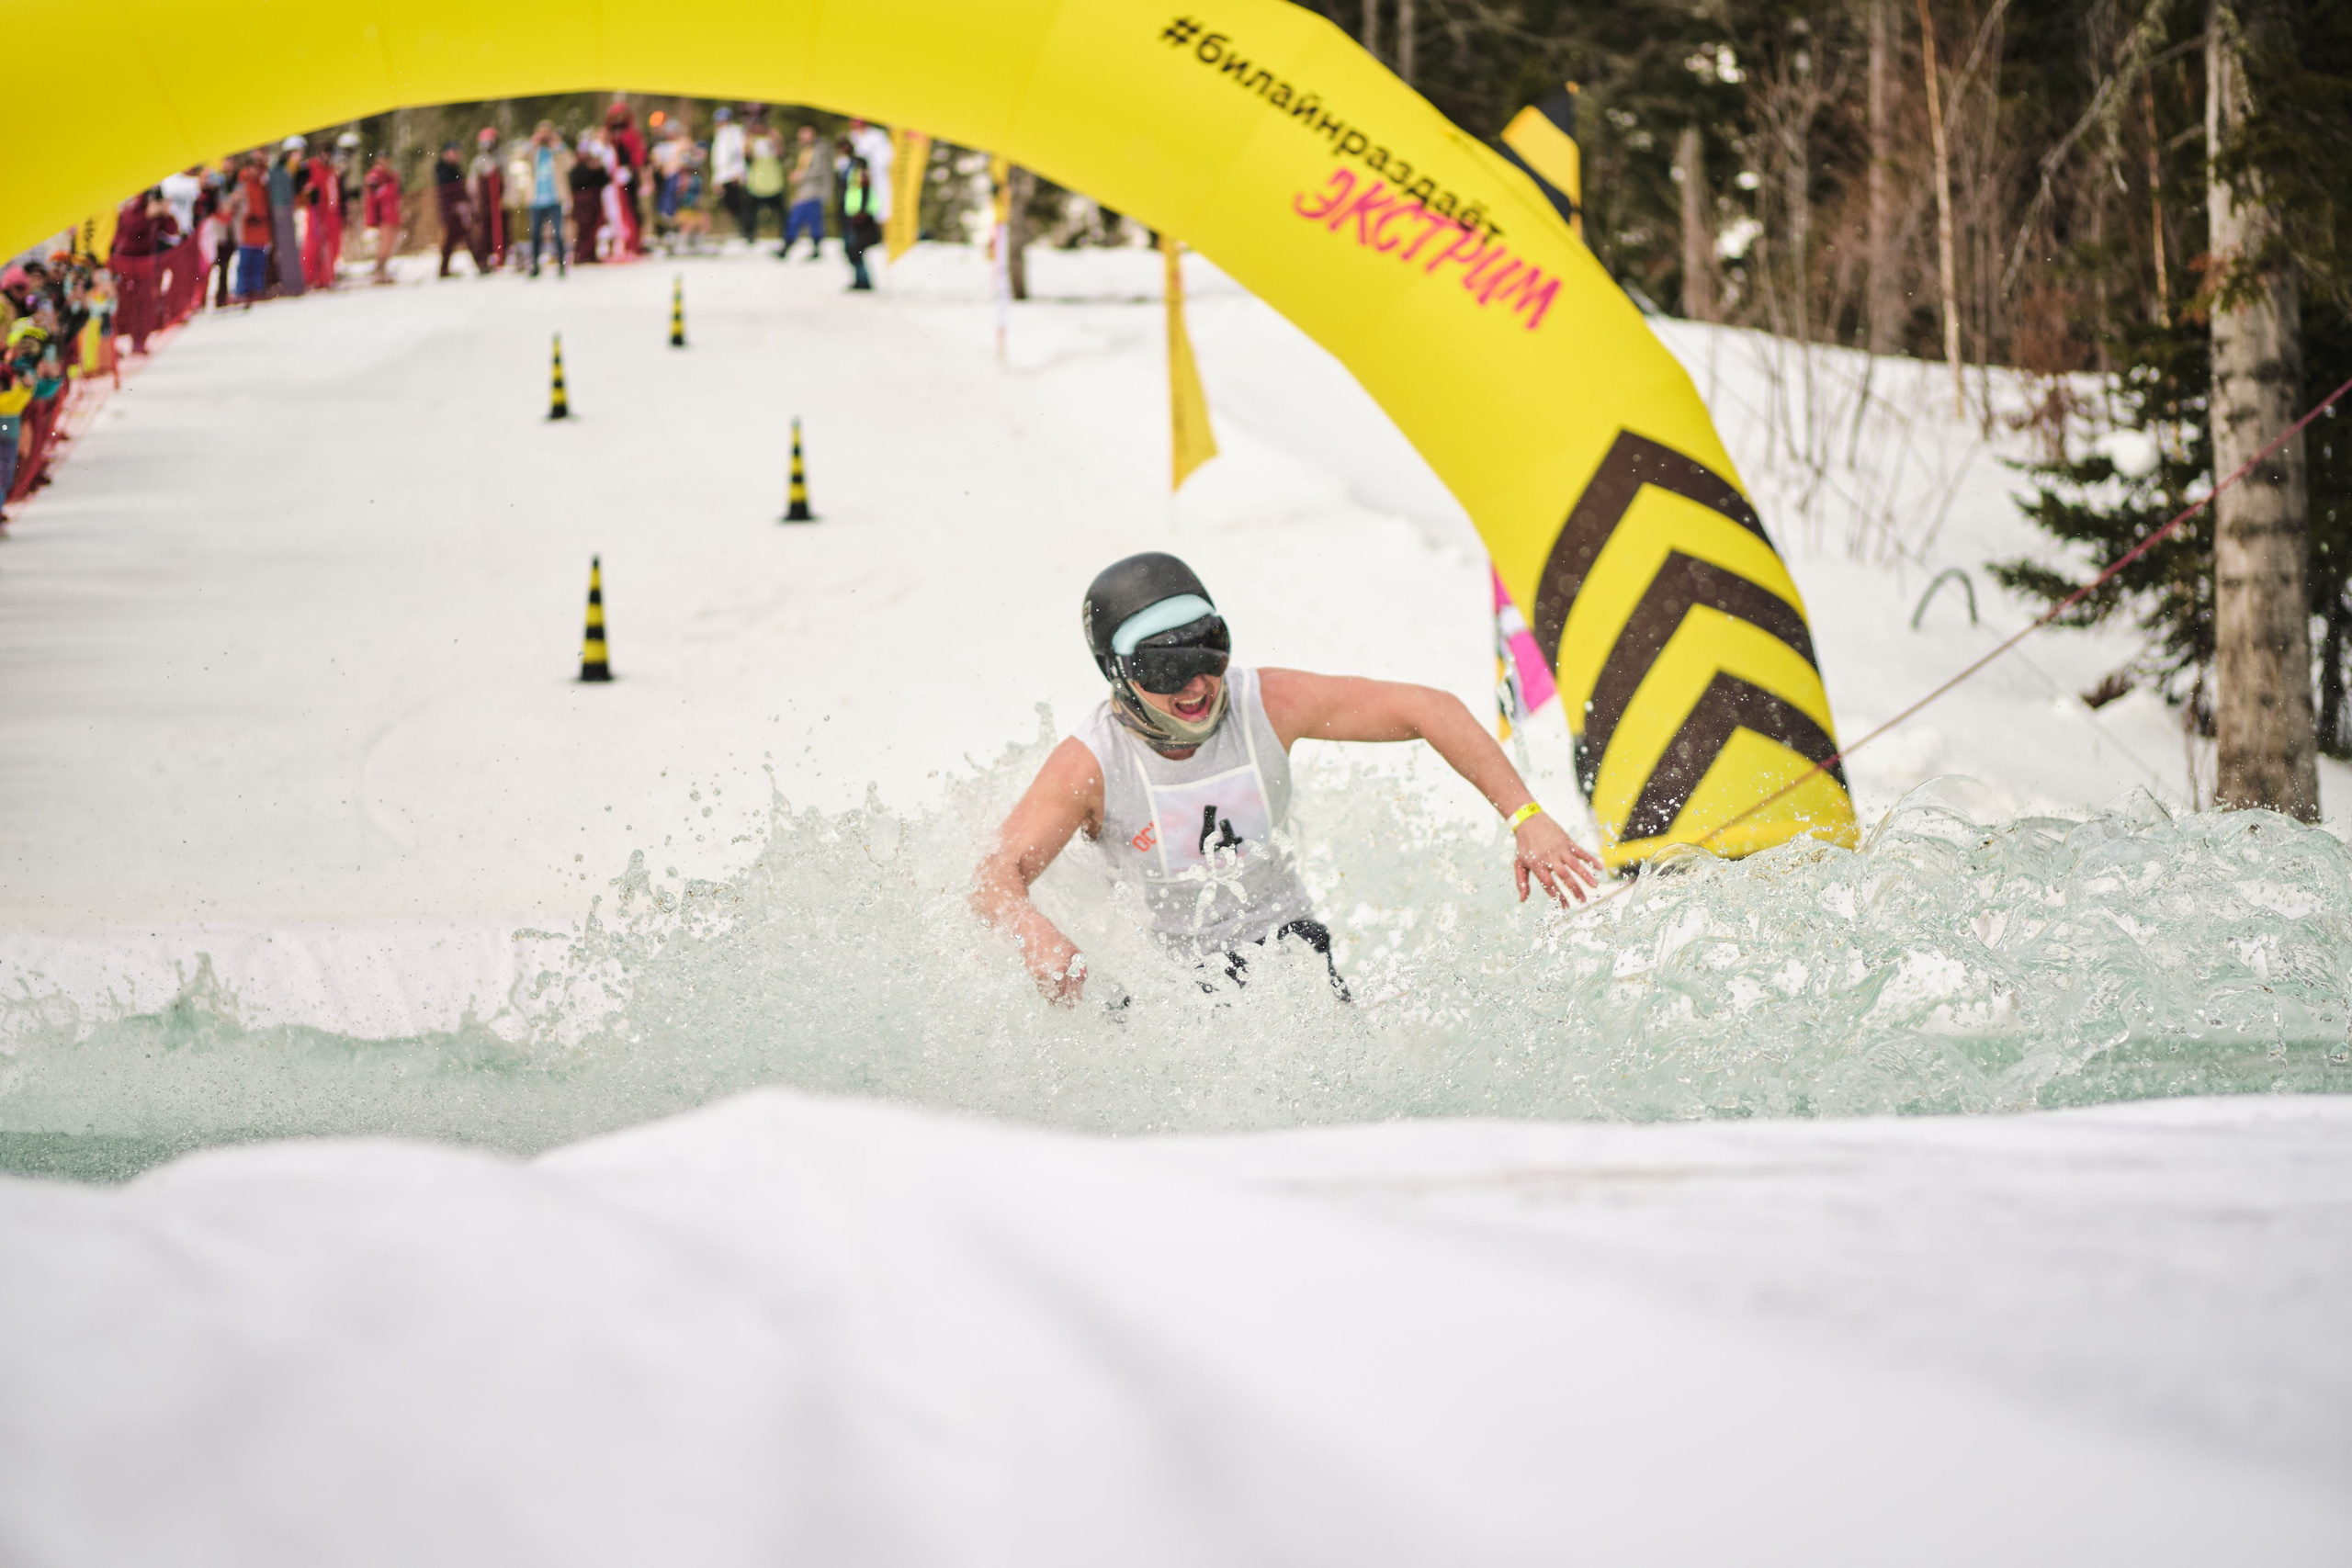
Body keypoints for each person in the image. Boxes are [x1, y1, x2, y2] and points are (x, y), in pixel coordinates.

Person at [972, 554, 1602, 1003]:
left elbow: (1428, 708)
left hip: (1290, 947)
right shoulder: (1091, 765)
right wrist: (1038, 937)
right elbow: (994, 875)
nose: (1196, 686)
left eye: (1207, 654)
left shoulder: (1266, 702)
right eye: (1167, 671)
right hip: (1166, 983)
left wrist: (1527, 816)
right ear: (1121, 676)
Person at [523, 122, 571, 277]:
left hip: (555, 198)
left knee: (558, 234)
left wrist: (558, 145)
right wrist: (533, 142)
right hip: (536, 200)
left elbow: (571, 163)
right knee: (535, 234)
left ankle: (562, 265)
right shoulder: (533, 153)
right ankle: (535, 266)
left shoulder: (557, 153)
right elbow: (517, 157)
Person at [782, 124, 831, 260]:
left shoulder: (819, 150)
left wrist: (801, 175)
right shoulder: (802, 150)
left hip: (813, 191)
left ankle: (813, 248)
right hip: (802, 191)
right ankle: (788, 246)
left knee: (811, 220)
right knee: (796, 219)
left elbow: (820, 170)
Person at [605, 101, 646, 257]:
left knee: (631, 210)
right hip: (613, 179)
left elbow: (637, 155)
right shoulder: (609, 134)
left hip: (627, 177)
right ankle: (620, 243)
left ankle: (633, 243)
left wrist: (633, 170)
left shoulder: (631, 134)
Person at [267, 138, 307, 297]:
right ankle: (288, 284)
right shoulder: (278, 170)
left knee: (292, 248)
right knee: (285, 249)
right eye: (298, 153)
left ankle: (295, 283)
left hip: (289, 211)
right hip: (280, 212)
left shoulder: (294, 169)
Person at [837, 141, 879, 291]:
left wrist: (862, 211)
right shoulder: (850, 167)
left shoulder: (858, 169)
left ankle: (863, 279)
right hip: (852, 213)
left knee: (855, 249)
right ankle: (860, 279)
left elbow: (865, 191)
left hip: (858, 216)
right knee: (853, 250)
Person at [234, 152, 277, 299]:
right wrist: (248, 216)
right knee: (245, 262)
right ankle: (242, 290)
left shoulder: (262, 183)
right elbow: (240, 204)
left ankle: (257, 288)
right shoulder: (243, 183)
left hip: (261, 227)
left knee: (259, 261)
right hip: (247, 228)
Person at [301, 142, 342, 287]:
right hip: (317, 210)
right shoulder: (311, 167)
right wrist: (311, 196)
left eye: (329, 154)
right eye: (324, 153)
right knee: (314, 243)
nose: (327, 156)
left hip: (332, 212)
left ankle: (326, 276)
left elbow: (336, 191)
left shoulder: (332, 170)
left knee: (333, 244)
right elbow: (304, 188)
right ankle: (309, 277)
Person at [744, 115, 787, 247]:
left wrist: (775, 137)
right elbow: (746, 156)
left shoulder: (771, 138)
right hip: (757, 182)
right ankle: (750, 236)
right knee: (752, 212)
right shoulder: (751, 140)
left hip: (773, 181)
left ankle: (785, 235)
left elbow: (781, 153)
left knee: (781, 213)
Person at [569, 130, 610, 264]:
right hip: (583, 202)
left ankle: (589, 252)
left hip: (593, 201)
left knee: (593, 229)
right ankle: (582, 253)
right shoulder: (577, 168)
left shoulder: (594, 166)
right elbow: (576, 183)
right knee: (583, 229)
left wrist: (598, 169)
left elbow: (604, 180)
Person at [710, 107, 750, 244]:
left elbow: (738, 154)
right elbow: (718, 160)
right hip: (723, 176)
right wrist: (716, 180)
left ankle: (747, 232)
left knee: (739, 204)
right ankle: (743, 230)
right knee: (730, 204)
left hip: (733, 175)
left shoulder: (734, 133)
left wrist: (738, 173)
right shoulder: (720, 135)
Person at [468, 128, 505, 271]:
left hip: (498, 201)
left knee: (501, 229)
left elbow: (507, 179)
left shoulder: (501, 159)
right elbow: (472, 183)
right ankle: (484, 259)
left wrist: (506, 197)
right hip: (484, 202)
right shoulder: (478, 161)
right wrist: (475, 200)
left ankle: (501, 254)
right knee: (484, 231)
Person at [431, 143, 471, 277]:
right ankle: (481, 264)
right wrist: (458, 203)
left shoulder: (454, 169)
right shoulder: (443, 169)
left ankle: (444, 269)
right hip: (451, 210)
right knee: (461, 237)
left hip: (455, 209)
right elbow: (450, 191)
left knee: (455, 239)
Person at [362, 152, 402, 285]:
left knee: (389, 245)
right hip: (384, 217)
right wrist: (372, 220)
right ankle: (378, 272)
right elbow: (372, 199)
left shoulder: (389, 176)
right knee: (384, 245)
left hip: (392, 215)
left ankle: (382, 271)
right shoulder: (375, 176)